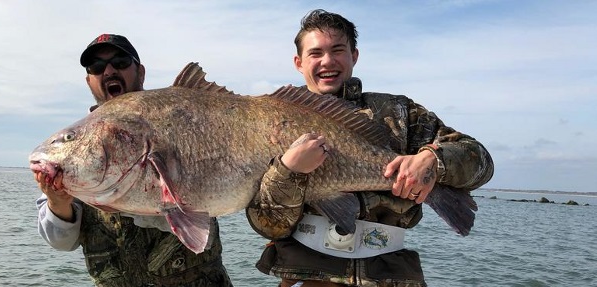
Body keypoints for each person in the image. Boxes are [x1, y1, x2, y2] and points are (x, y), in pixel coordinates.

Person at [246, 10, 494, 287]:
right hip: (306, 275)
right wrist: (287, 171)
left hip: (392, 274)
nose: (327, 61)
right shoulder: (267, 122)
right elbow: (267, 224)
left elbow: (480, 162)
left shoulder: (400, 113)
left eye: (337, 50)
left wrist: (432, 160)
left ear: (354, 55)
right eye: (315, 53)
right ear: (299, 62)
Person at [34, 34, 233, 287]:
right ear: (89, 80)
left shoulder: (183, 121)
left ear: (140, 71)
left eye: (120, 62)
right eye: (96, 67)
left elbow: (202, 225)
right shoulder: (73, 153)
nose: (108, 71)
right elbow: (61, 242)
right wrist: (57, 201)